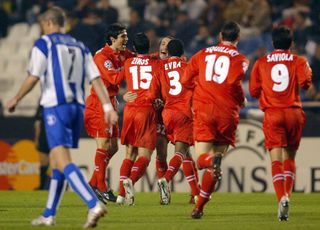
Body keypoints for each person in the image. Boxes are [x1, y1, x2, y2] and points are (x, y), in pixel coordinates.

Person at [6, 7, 118, 228]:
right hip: (77, 108)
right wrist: (107, 107)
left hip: (55, 107)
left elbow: (33, 77)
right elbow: (95, 78)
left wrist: (16, 99)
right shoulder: (80, 46)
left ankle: (93, 203)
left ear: (48, 23)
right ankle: (49, 214)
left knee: (63, 160)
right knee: (57, 164)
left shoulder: (45, 44)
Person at [183, 21, 249, 219]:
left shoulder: (202, 54)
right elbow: (233, 82)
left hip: (204, 109)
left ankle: (211, 160)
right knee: (215, 167)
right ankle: (199, 208)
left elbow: (185, 80)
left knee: (202, 161)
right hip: (228, 112)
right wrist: (241, 99)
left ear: (220, 35)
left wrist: (203, 85)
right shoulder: (242, 59)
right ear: (238, 37)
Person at [249, 26, 312, 221]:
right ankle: (288, 197)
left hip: (273, 113)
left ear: (272, 43)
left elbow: (252, 91)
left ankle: (281, 198)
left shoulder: (261, 63)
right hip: (293, 112)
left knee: (276, 159)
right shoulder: (299, 60)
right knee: (290, 158)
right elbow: (306, 84)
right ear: (291, 43)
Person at [84, 23, 134, 204]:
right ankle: (102, 188)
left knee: (113, 147)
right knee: (104, 144)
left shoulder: (123, 54)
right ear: (113, 39)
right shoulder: (101, 56)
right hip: (98, 104)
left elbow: (137, 59)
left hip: (111, 103)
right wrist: (128, 67)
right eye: (123, 36)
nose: (126, 39)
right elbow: (113, 77)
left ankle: (92, 183)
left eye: (126, 35)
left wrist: (155, 58)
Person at [149, 39, 200, 205]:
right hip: (184, 112)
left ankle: (196, 193)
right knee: (181, 151)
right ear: (183, 53)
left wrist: (157, 100)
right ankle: (166, 179)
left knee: (186, 155)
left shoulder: (160, 67)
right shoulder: (187, 66)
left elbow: (152, 93)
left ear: (168, 52)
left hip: (167, 114)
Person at [112, 33, 158, 205]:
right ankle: (130, 181)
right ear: (149, 46)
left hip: (130, 110)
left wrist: (123, 95)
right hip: (146, 110)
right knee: (144, 155)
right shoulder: (156, 64)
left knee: (129, 154)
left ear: (133, 49)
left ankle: (120, 196)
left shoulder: (128, 62)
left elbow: (115, 80)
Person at [34, 104, 50, 190]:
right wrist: (37, 138)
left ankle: (55, 186)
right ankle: (42, 186)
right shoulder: (42, 104)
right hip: (44, 137)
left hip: (54, 136)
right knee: (44, 163)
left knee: (57, 163)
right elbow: (37, 122)